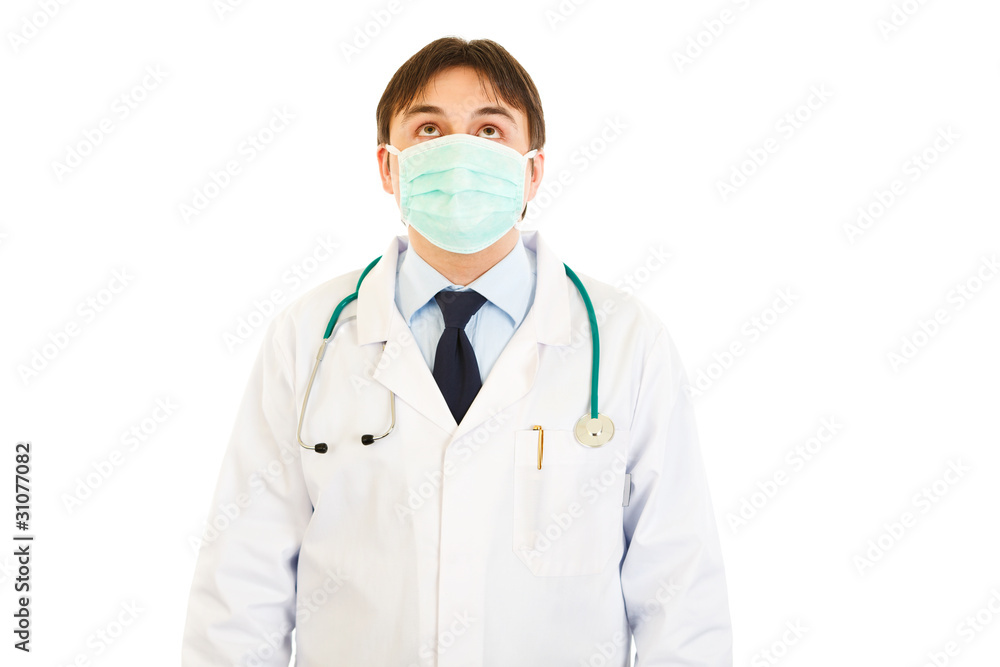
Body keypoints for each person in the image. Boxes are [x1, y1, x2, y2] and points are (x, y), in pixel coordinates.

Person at [181, 36, 733, 666]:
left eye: (490, 129)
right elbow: (242, 581)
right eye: (429, 129)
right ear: (388, 167)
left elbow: (679, 590)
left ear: (533, 169)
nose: (459, 151)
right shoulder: (308, 338)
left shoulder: (626, 339)